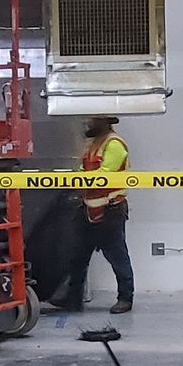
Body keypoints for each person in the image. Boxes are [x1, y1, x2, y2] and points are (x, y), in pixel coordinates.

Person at [69, 114, 134, 314]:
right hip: (88, 210)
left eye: (92, 119)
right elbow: (83, 171)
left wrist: (78, 179)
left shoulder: (114, 144)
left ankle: (125, 298)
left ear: (105, 122)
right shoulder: (93, 145)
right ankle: (72, 299)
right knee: (77, 256)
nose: (87, 122)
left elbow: (105, 176)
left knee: (117, 256)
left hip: (110, 210)